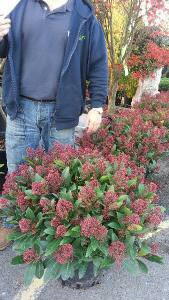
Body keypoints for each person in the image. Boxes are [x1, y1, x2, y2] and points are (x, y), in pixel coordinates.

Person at [0, 0, 108, 250]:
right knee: (18, 172)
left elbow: (98, 63)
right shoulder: (18, 7)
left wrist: (97, 105)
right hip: (21, 107)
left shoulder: (83, 15)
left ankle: (53, 232)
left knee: (60, 177)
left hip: (63, 111)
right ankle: (11, 224)